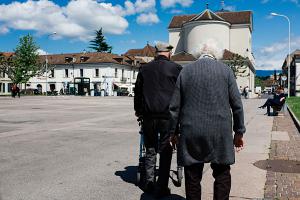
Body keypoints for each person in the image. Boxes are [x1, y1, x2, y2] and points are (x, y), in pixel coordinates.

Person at [169, 39, 246, 200]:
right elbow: (237, 105)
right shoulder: (226, 71)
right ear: (216, 54)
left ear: (198, 54)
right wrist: (239, 132)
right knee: (222, 173)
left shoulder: (186, 71)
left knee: (192, 174)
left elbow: (174, 107)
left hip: (191, 130)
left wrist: (173, 132)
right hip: (220, 131)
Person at [134, 42, 182, 198]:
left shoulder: (144, 69)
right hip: (168, 117)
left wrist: (139, 112)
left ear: (156, 53)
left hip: (148, 116)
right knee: (166, 150)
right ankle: (161, 187)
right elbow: (181, 94)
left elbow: (138, 93)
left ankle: (148, 183)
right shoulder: (176, 69)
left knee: (150, 149)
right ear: (168, 52)